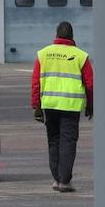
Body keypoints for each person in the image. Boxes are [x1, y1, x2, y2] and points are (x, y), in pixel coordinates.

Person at [31, 21, 93, 192]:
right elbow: (89, 84)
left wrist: (36, 106)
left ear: (56, 35)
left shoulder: (43, 54)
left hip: (49, 106)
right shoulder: (81, 56)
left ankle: (57, 179)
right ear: (72, 37)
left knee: (54, 141)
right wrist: (90, 105)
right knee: (68, 142)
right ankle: (65, 181)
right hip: (70, 107)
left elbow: (36, 82)